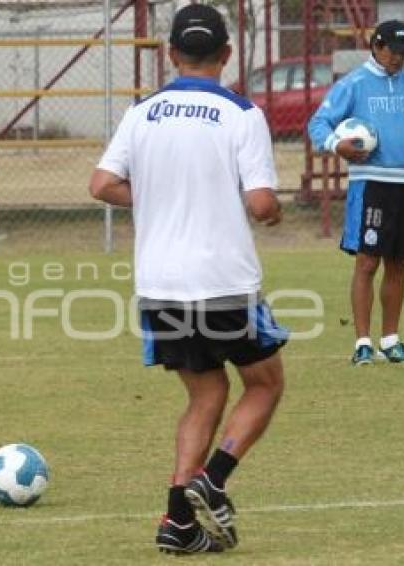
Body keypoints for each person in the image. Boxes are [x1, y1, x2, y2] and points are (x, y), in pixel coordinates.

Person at [89, 4, 286, 555]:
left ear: (171, 54)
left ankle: (178, 519)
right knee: (266, 383)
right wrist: (272, 213)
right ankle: (213, 477)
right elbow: (261, 201)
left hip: (160, 282)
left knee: (206, 393)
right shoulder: (241, 113)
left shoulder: (142, 112)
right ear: (226, 55)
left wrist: (155, 199)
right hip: (221, 278)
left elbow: (101, 184)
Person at [308, 20, 404, 366]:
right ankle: (363, 344)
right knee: (367, 261)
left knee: (399, 261)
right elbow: (318, 123)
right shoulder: (354, 84)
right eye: (394, 51)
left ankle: (391, 341)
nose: (399, 59)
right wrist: (337, 145)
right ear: (376, 46)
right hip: (369, 182)